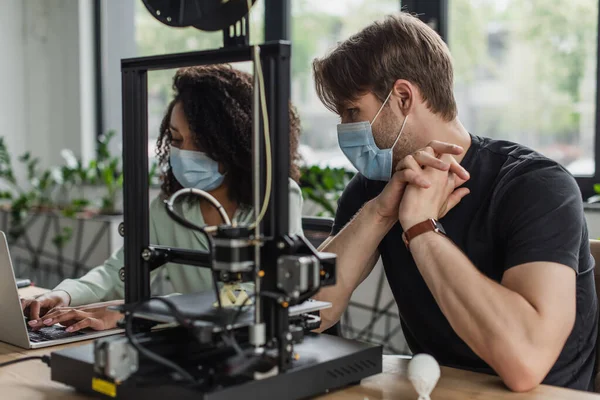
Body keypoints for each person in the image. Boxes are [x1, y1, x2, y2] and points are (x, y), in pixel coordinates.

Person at [312, 13, 597, 392]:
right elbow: (311, 314)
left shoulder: (535, 185)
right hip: (438, 389)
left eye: (352, 112)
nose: (344, 130)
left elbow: (525, 363)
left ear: (402, 97)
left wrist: (421, 229)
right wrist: (382, 212)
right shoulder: (374, 191)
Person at [22, 65, 305, 332]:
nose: (186, 153)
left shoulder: (278, 198)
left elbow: (255, 294)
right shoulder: (170, 207)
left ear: (235, 144)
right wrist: (64, 294)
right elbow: (118, 273)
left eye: (201, 142)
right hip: (193, 345)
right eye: (177, 139)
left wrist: (136, 311)